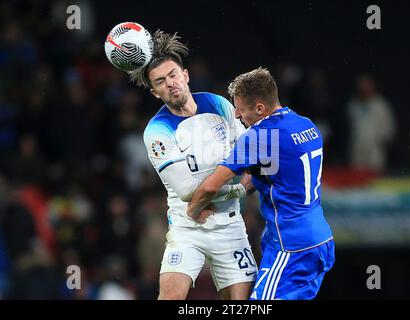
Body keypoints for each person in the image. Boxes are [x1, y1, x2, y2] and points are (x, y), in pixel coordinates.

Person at [128, 30, 257, 300]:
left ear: (185, 75)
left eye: (173, 75)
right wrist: (239, 190)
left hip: (230, 225)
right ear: (154, 92)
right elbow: (188, 191)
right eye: (161, 82)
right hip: (188, 227)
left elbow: (249, 153)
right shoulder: (157, 131)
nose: (170, 83)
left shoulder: (218, 104)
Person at [187, 68, 335, 300]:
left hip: (292, 245)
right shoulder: (305, 124)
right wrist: (240, 190)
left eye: (240, 108)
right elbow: (273, 175)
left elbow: (210, 186)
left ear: (259, 109)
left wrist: (193, 210)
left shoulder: (260, 136)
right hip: (319, 239)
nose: (236, 115)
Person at [347, 74, 396, 173]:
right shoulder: (353, 105)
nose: (364, 88)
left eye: (367, 85)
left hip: (375, 145)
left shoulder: (380, 104)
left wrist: (382, 139)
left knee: (376, 172)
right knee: (358, 172)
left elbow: (388, 124)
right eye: (362, 85)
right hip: (358, 145)